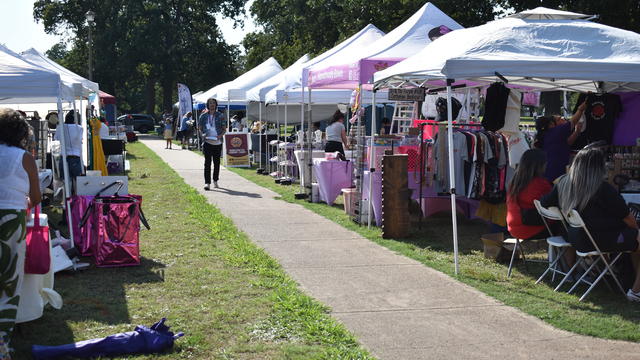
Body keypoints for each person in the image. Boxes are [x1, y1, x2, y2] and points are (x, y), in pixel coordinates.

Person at [540, 148, 640, 302]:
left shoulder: (564, 184)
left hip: (575, 238)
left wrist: (564, 211)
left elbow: (544, 203)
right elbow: (628, 217)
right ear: (599, 167)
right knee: (636, 238)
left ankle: (624, 280)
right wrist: (634, 232)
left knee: (635, 239)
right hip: (597, 240)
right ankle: (635, 290)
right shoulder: (603, 189)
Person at [0, 108, 41, 358]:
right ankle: (2, 341)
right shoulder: (23, 157)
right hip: (11, 220)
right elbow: (36, 197)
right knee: (8, 278)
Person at [534, 100, 586, 182]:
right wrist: (580, 109)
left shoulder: (545, 136)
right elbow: (572, 122)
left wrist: (577, 132)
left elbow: (567, 143)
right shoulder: (555, 132)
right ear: (551, 124)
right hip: (556, 173)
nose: (563, 119)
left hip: (547, 172)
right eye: (559, 119)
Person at [506, 149, 553, 240]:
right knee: (567, 229)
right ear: (539, 165)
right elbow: (552, 203)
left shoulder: (514, 182)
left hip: (513, 228)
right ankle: (560, 254)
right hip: (530, 229)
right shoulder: (540, 184)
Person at [199, 98, 226, 189]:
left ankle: (215, 180)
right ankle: (207, 183)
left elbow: (224, 129)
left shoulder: (220, 115)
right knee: (207, 163)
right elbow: (200, 128)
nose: (212, 105)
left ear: (216, 105)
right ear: (207, 105)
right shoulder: (203, 116)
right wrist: (202, 134)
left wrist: (220, 136)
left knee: (217, 163)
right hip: (207, 141)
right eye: (210, 103)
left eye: (213, 103)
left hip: (217, 142)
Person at [54, 111, 84, 189]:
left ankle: (67, 198)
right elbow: (80, 140)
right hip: (75, 157)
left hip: (64, 157)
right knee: (77, 181)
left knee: (65, 181)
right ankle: (76, 197)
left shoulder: (59, 127)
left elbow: (56, 138)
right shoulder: (80, 128)